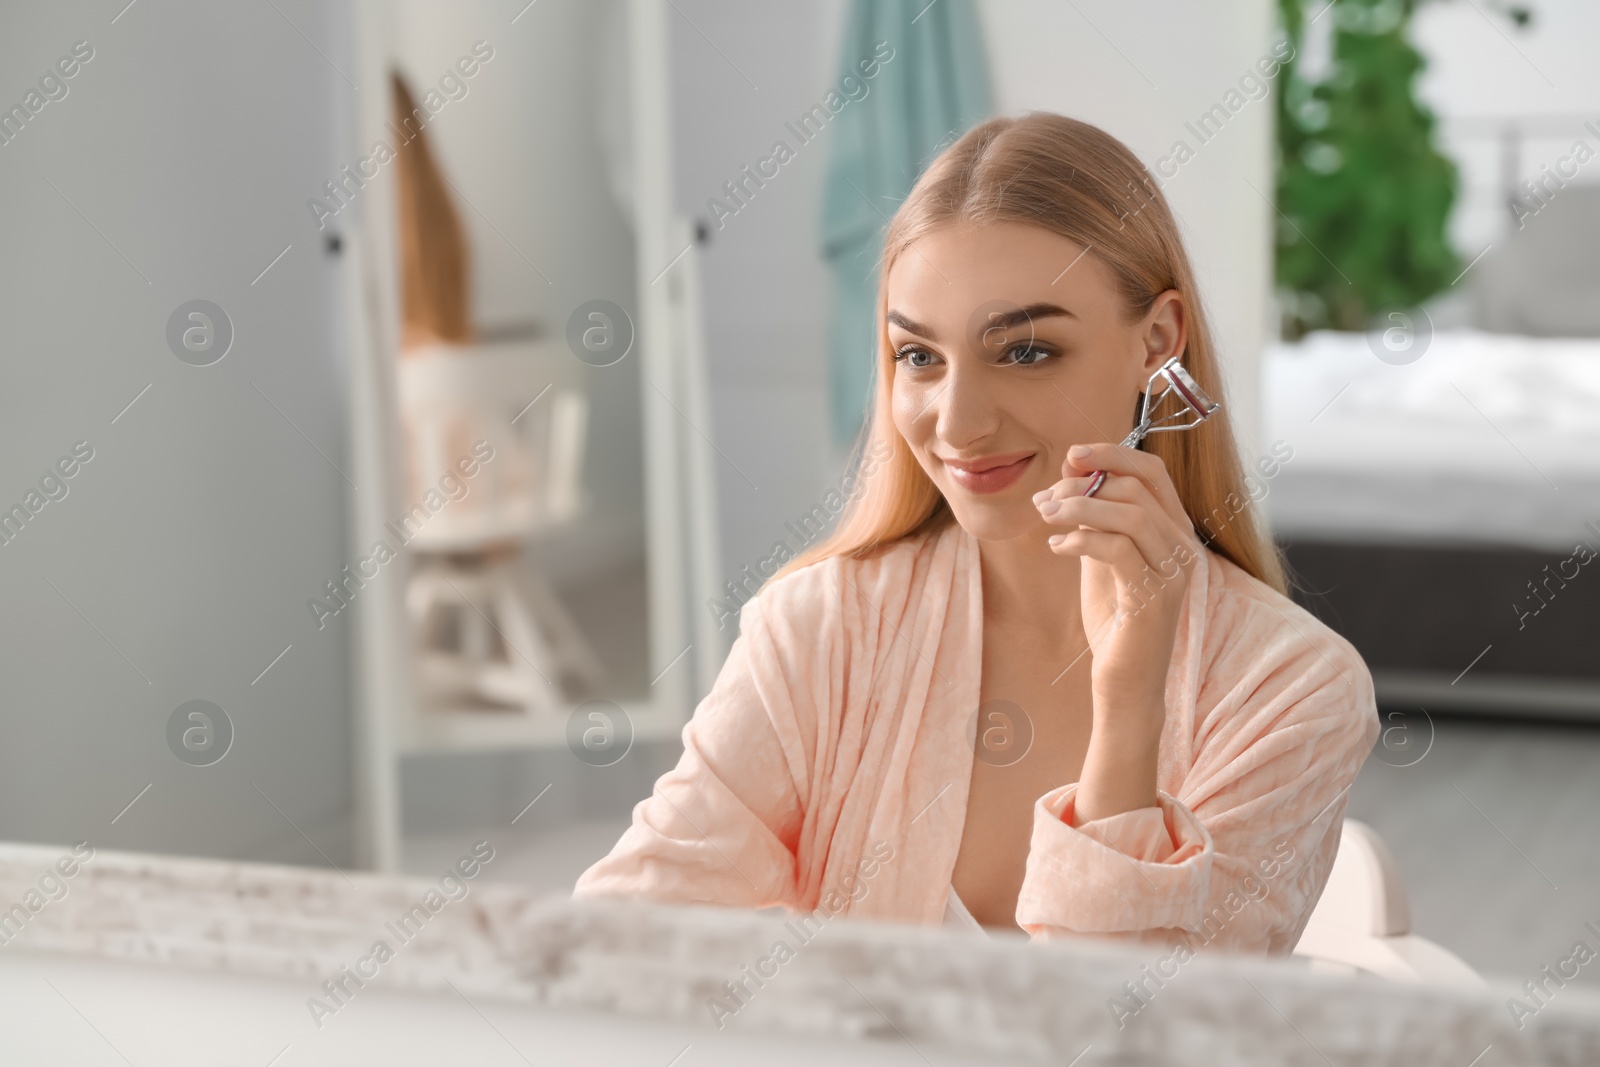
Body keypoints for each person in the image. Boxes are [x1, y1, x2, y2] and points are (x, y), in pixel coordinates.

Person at [573, 112, 1379, 954]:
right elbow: (615, 941)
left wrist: (1130, 703)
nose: (958, 424)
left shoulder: (1292, 690)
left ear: (1157, 340)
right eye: (920, 357)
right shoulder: (820, 628)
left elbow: (1127, 1035)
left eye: (1025, 351)